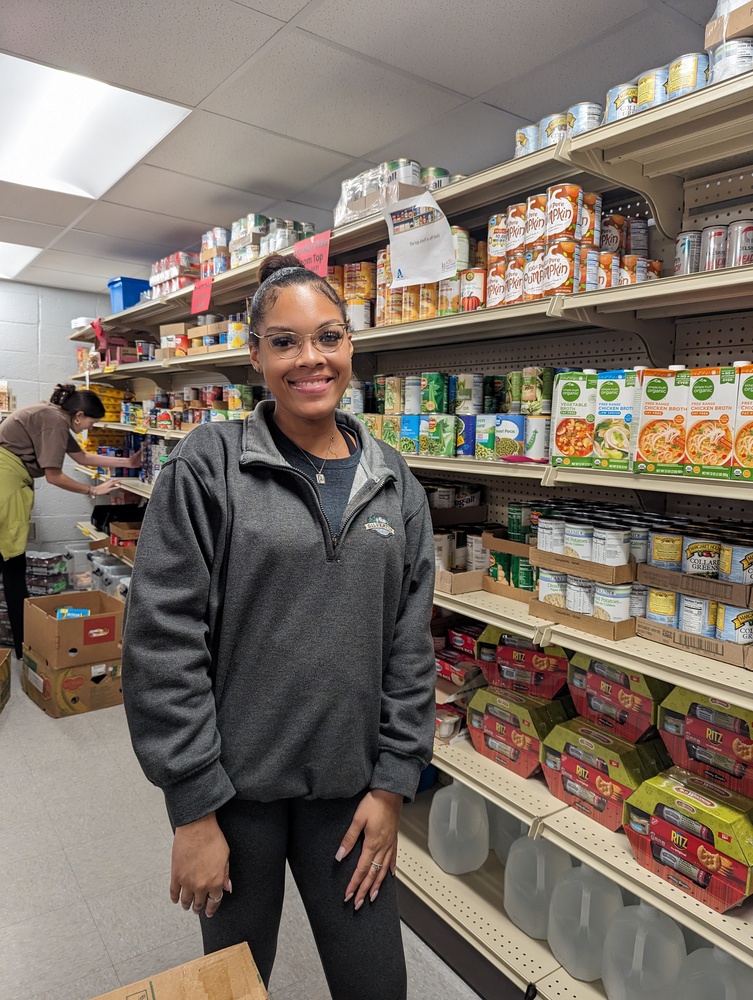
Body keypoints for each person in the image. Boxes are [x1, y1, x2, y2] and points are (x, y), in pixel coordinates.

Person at [121, 254, 436, 999]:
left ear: (350, 346)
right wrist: (192, 809)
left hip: (351, 798)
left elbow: (408, 645)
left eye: (327, 337)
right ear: (256, 356)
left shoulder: (394, 481)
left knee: (376, 985)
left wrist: (393, 786)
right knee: (231, 986)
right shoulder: (210, 466)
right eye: (285, 341)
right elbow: (164, 640)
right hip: (235, 798)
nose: (310, 359)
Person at [0, 383, 141, 657]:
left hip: (10, 477)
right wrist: (93, 490)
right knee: (12, 562)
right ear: (78, 415)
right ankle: (24, 647)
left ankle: (23, 643)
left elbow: (81, 456)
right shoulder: (53, 421)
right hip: (6, 482)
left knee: (10, 561)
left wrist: (129, 463)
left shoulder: (54, 414)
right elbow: (54, 476)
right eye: (90, 422)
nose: (88, 428)